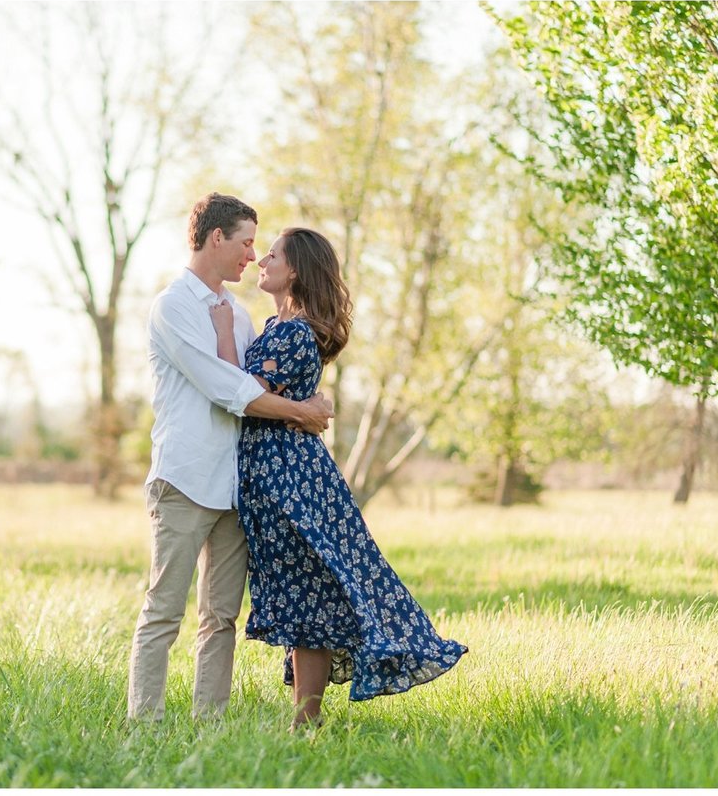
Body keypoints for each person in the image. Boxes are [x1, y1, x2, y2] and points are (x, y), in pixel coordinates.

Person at [209, 226, 467, 730]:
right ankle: (306, 720)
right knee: (311, 590)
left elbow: (239, 391)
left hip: (288, 479)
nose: (262, 259)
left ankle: (306, 720)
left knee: (310, 591)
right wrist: (305, 407)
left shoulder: (292, 332)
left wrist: (221, 330)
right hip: (288, 473)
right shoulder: (284, 328)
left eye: (274, 254)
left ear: (297, 270)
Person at [128, 194, 335, 722]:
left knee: (220, 617)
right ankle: (145, 724)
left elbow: (255, 387)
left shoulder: (240, 316)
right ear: (216, 238)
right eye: (246, 243)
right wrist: (303, 412)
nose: (251, 255)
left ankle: (209, 724)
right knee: (163, 611)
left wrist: (297, 408)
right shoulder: (174, 306)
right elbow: (228, 387)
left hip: (235, 486)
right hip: (185, 477)